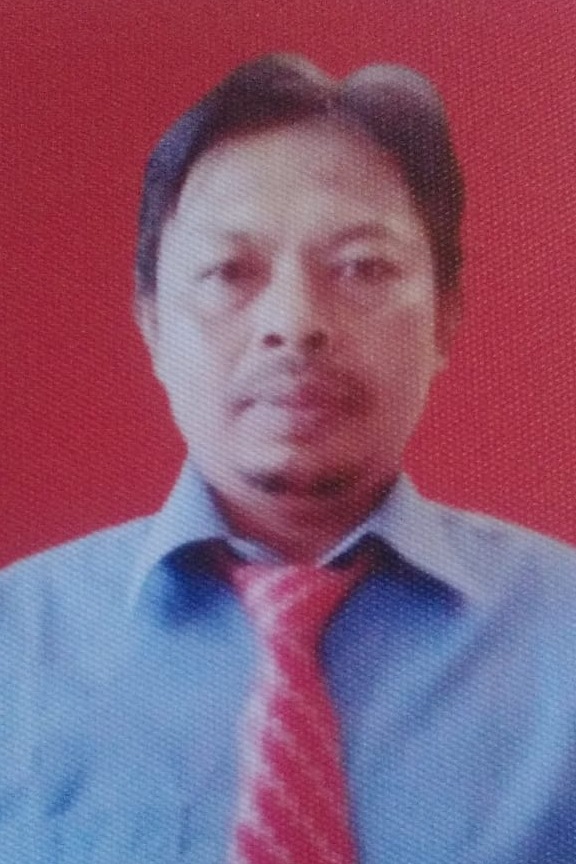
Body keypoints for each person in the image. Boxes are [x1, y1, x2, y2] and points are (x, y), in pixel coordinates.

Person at [2, 53, 576, 864]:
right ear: (152, 324)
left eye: (363, 268)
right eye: (230, 272)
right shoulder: (16, 645)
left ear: (446, 317)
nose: (295, 321)